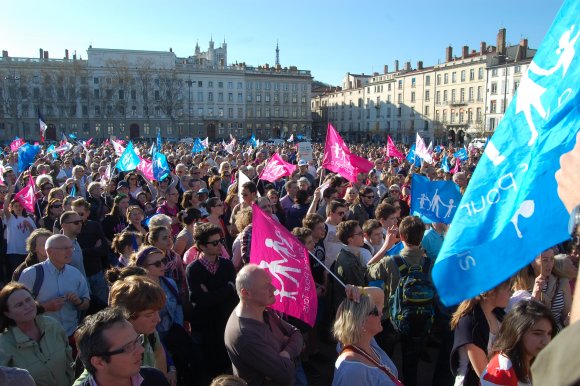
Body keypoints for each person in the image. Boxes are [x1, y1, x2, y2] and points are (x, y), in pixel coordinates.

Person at [224, 264, 304, 386]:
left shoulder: (263, 309)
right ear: (246, 293)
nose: (274, 289)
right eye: (266, 287)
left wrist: (285, 353)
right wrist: (288, 344)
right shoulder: (245, 335)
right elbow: (286, 374)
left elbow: (296, 333)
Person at [131, 246, 195, 385]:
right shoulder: (137, 292)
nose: (163, 265)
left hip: (173, 336)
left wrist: (177, 331)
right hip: (151, 341)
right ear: (143, 267)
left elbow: (178, 309)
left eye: (163, 260)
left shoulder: (169, 283)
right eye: (157, 263)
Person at [186, 223, 238, 382]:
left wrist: (213, 292)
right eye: (215, 243)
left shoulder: (227, 264)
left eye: (221, 241)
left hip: (226, 322)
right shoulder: (193, 269)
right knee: (211, 369)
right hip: (206, 327)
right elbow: (202, 300)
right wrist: (226, 288)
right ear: (201, 246)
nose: (220, 245)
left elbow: (234, 294)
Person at [0, 282, 74, 386]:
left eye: (28, 300)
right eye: (19, 305)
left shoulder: (52, 325)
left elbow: (69, 360)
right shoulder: (3, 345)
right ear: (7, 314)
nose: (27, 306)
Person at [73, 307, 169, 386]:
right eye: (128, 347)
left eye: (137, 341)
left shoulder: (155, 379)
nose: (141, 349)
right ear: (99, 362)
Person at [18, 234, 90, 338]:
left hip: (73, 334)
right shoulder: (31, 274)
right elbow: (19, 308)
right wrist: (46, 307)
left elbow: (86, 303)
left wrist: (78, 302)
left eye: (71, 247)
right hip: (44, 337)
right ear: (50, 251)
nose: (70, 252)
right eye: (65, 248)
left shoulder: (75, 273)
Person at [332, 287, 400, 386]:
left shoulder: (367, 342)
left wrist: (360, 291)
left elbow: (380, 294)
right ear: (361, 321)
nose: (381, 313)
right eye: (376, 310)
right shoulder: (352, 372)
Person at [450, 280, 512, 386]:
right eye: (508, 290)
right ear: (492, 291)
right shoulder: (470, 322)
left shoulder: (500, 315)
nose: (510, 294)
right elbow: (483, 372)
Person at [480, 300, 556, 386]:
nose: (546, 341)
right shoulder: (502, 372)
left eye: (549, 333)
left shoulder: (532, 362)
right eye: (537, 333)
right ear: (518, 332)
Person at [509, 248, 572, 331]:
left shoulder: (562, 282)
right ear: (532, 263)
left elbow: (566, 314)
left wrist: (568, 319)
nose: (550, 264)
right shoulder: (522, 285)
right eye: (545, 260)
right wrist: (536, 293)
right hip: (535, 336)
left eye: (552, 259)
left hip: (558, 335)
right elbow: (521, 319)